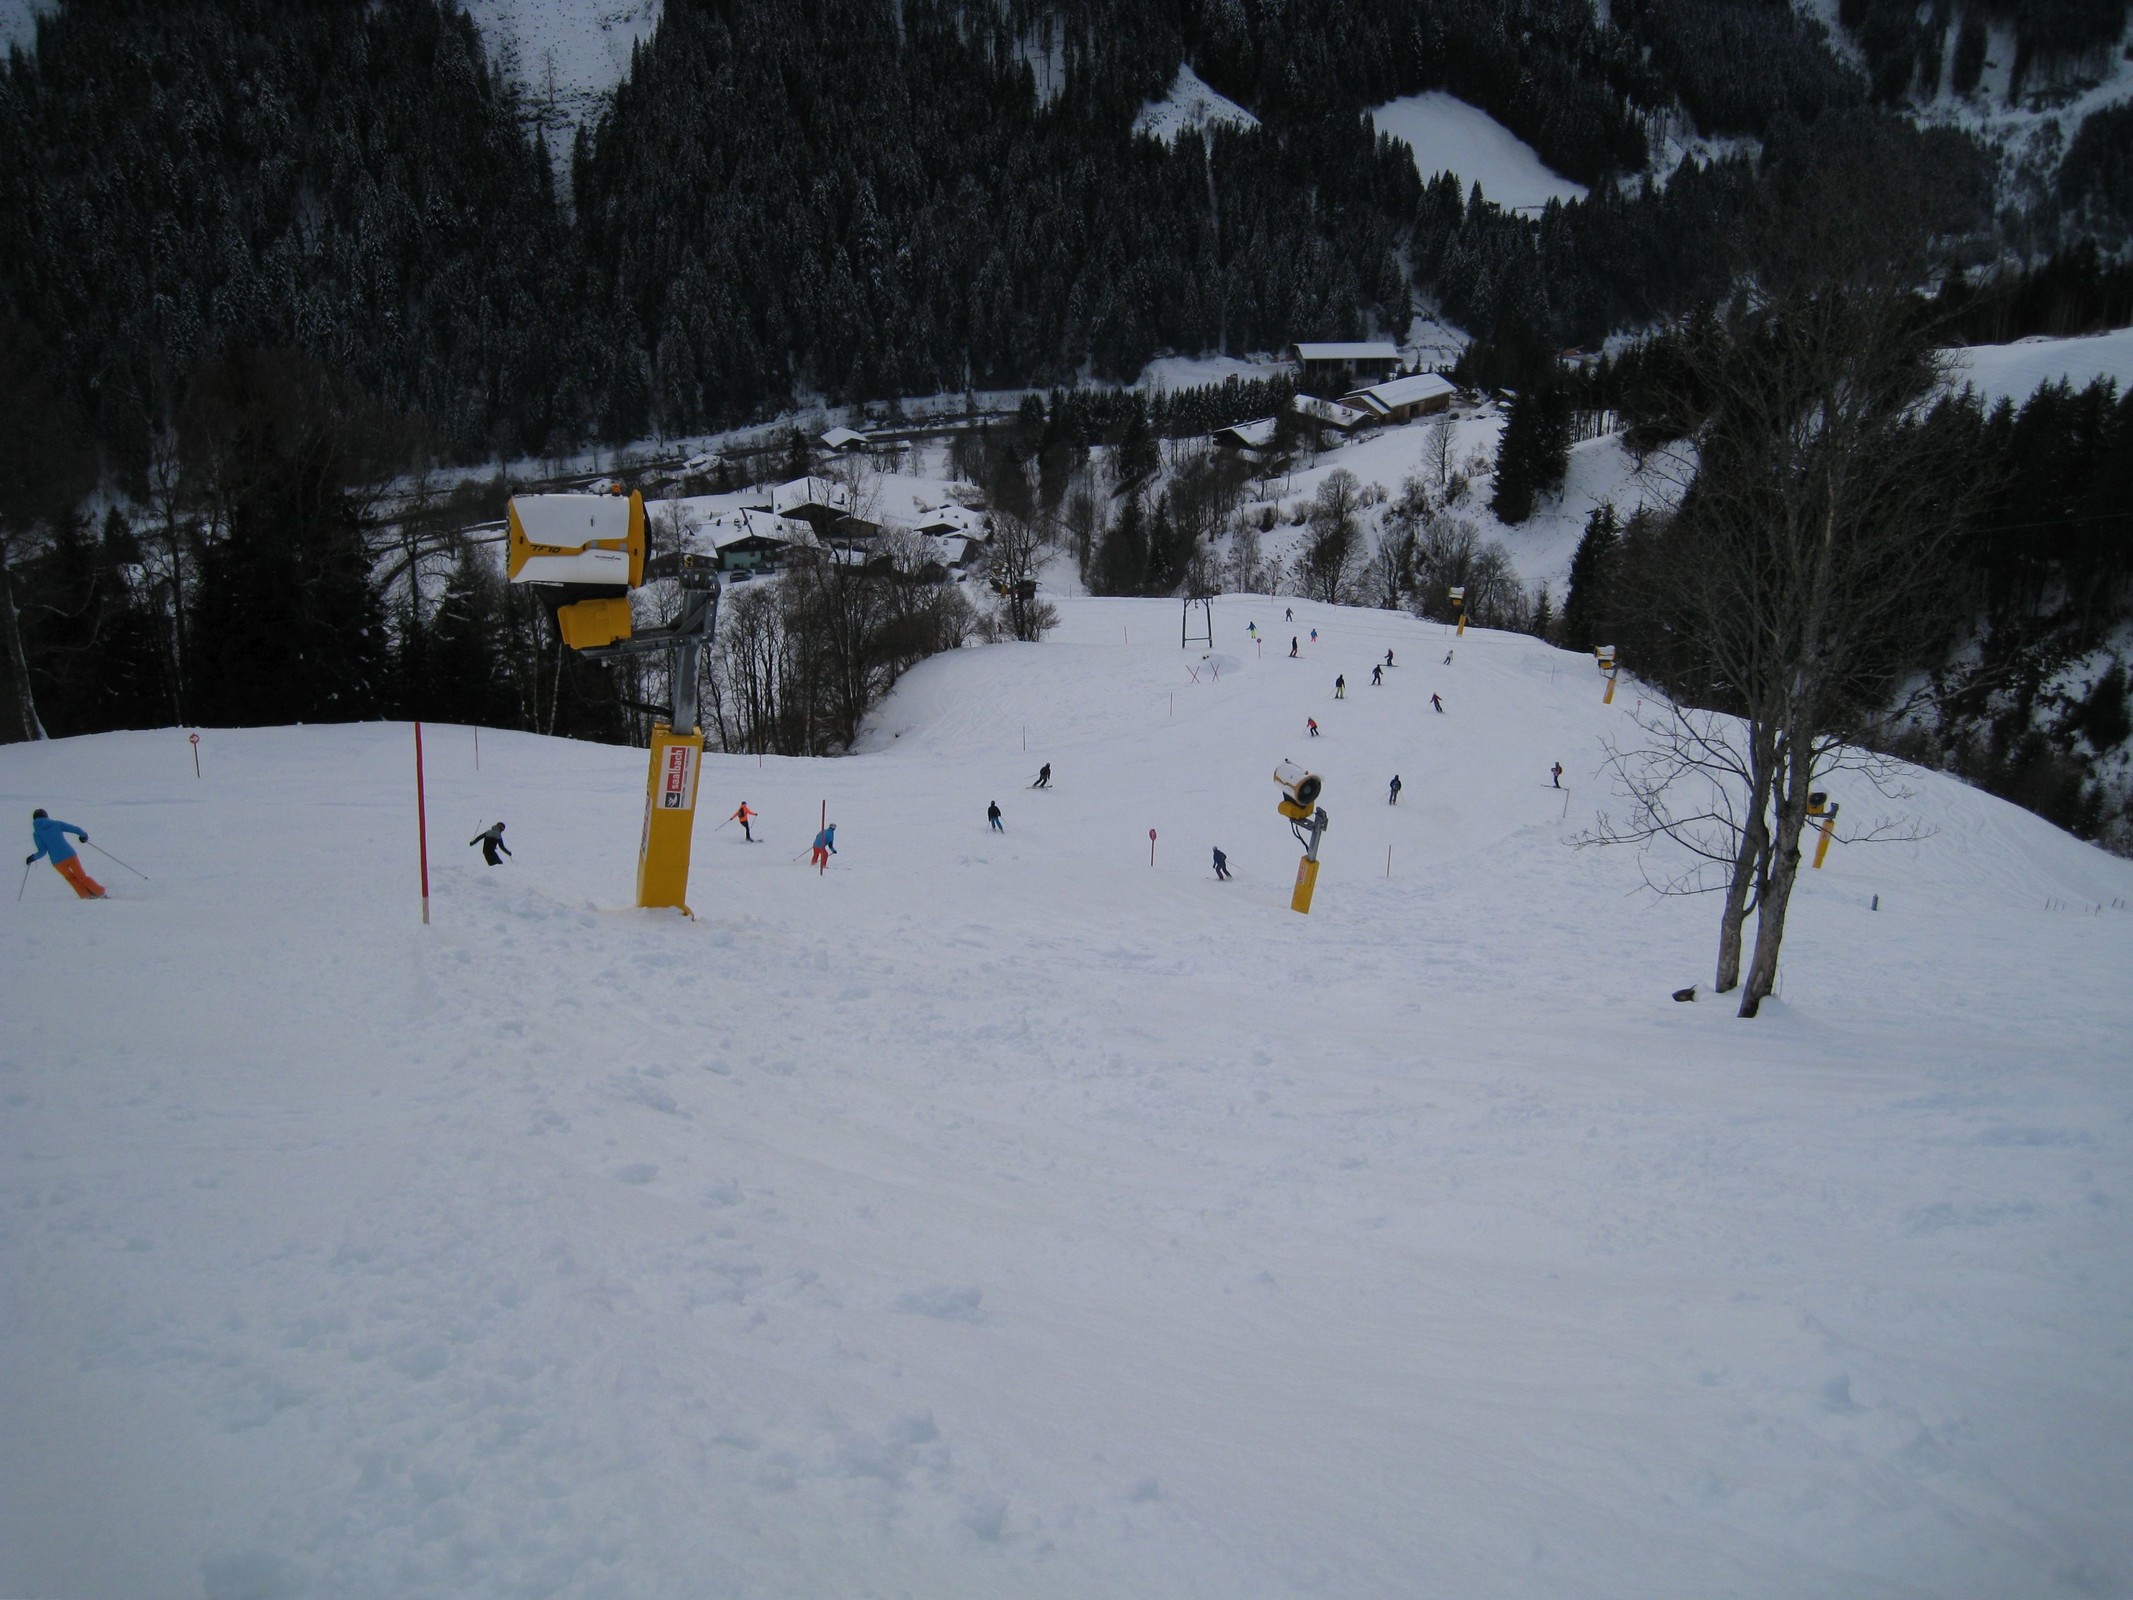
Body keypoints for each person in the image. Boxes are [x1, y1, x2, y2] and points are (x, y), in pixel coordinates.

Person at [25, 808, 104, 899]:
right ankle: (100, 893)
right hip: (70, 854)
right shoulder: (55, 824)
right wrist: (83, 836)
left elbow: (42, 851)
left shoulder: (37, 833)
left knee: (72, 879)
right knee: (82, 876)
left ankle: (86, 897)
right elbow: (76, 829)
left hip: (57, 861)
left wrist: (32, 858)